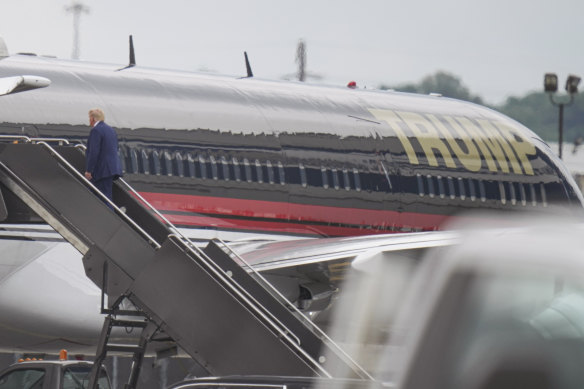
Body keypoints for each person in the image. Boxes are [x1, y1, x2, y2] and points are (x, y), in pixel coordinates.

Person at [84, 108, 122, 203]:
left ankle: (110, 217)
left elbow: (94, 152)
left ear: (93, 119)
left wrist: (89, 170)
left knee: (103, 199)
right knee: (104, 196)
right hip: (110, 169)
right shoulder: (111, 130)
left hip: (101, 170)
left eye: (89, 118)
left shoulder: (96, 130)